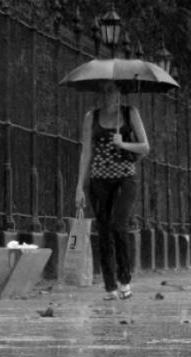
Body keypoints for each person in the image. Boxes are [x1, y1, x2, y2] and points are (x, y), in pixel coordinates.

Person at [75, 80, 150, 300]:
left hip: (125, 179)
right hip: (100, 181)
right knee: (104, 230)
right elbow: (86, 153)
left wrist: (123, 144)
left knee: (119, 225)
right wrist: (80, 186)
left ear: (119, 94)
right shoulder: (92, 117)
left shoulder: (130, 113)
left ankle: (124, 279)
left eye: (111, 91)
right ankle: (110, 286)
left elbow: (145, 147)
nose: (107, 95)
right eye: (104, 91)